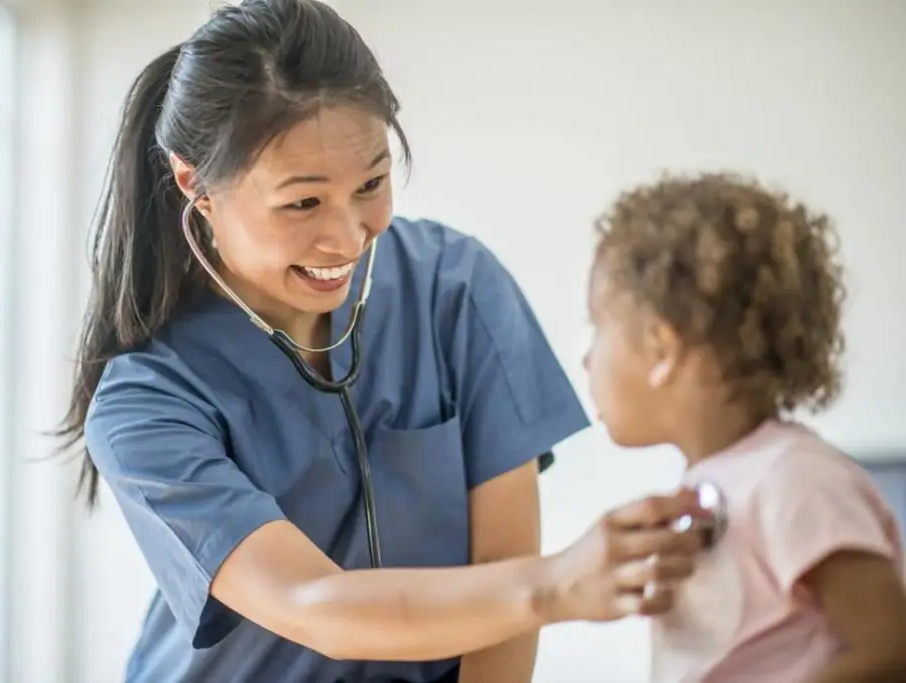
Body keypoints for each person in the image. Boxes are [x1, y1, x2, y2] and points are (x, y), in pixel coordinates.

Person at [58, 1, 707, 681]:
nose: (347, 236)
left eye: (371, 183)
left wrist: (549, 584)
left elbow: (502, 578)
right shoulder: (145, 401)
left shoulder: (455, 288)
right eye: (302, 203)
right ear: (196, 183)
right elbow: (315, 605)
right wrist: (563, 583)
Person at [583, 172, 906, 682]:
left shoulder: (797, 480)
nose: (586, 358)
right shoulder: (719, 484)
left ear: (662, 349)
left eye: (597, 327)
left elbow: (890, 649)